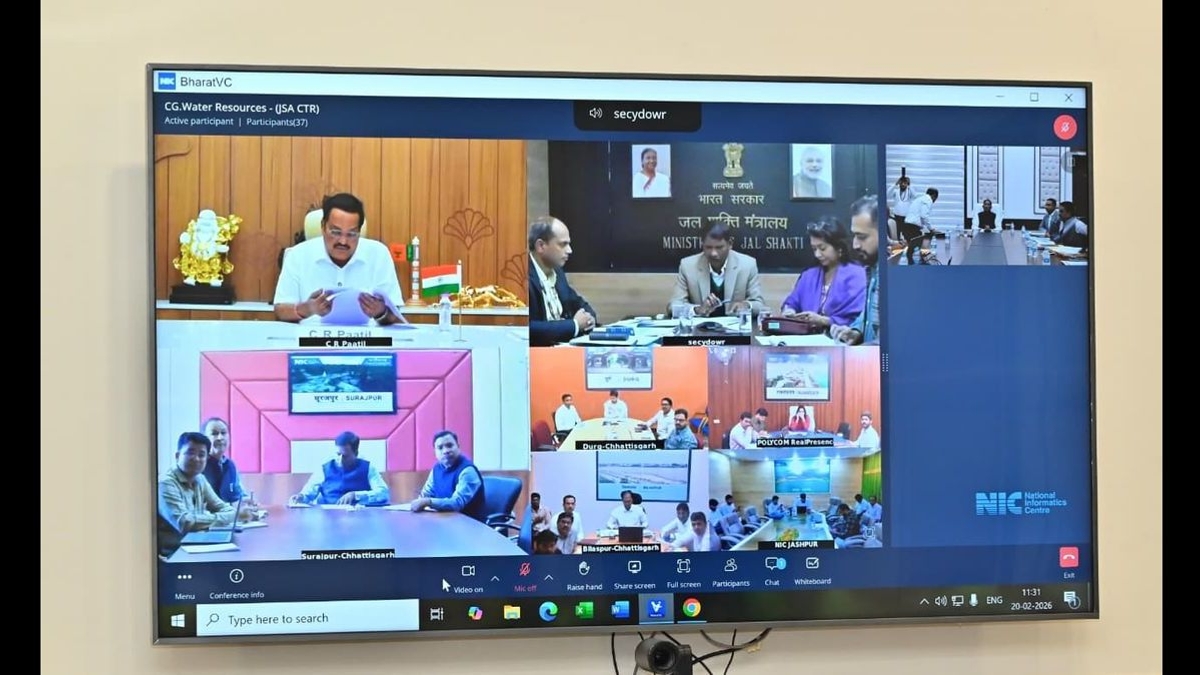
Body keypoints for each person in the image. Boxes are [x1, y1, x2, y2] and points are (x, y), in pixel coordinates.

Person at [272, 192, 405, 325]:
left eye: (351, 234)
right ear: (323, 227)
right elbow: (280, 311)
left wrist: (381, 312)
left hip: (367, 337)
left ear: (359, 232)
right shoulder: (298, 255)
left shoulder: (379, 254)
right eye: (336, 232)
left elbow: (396, 317)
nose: (343, 241)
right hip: (311, 336)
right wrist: (307, 309)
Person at [158, 431, 259, 534]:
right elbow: (184, 523)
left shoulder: (200, 479)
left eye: (201, 455)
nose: (196, 459)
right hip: (175, 544)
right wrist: (236, 516)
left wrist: (236, 514)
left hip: (197, 540)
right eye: (190, 453)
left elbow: (223, 507)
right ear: (177, 456)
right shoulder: (165, 484)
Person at [780, 218, 867, 333]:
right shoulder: (809, 275)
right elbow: (792, 302)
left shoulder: (857, 275)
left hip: (841, 337)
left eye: (822, 248)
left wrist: (824, 321)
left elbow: (859, 318)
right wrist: (789, 311)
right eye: (814, 249)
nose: (817, 254)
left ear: (839, 248)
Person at [669, 223, 765, 318]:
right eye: (708, 247)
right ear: (702, 244)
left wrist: (746, 306)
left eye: (719, 247)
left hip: (735, 326)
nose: (713, 253)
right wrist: (697, 310)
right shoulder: (688, 266)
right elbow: (673, 306)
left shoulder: (747, 265)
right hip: (701, 327)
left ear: (730, 244)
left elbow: (759, 304)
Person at [527, 216, 597, 346]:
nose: (570, 250)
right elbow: (527, 328)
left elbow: (580, 304)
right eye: (563, 244)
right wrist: (574, 325)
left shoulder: (557, 272)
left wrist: (589, 319)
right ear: (541, 246)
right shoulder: (521, 278)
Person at [831, 196, 881, 346]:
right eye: (854, 236)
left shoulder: (897, 276)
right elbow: (870, 314)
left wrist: (855, 354)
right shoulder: (872, 268)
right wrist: (856, 331)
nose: (855, 245)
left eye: (862, 237)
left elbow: (893, 342)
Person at [290, 431, 390, 506]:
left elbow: (383, 493)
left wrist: (356, 495)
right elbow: (308, 494)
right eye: (338, 454)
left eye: (345, 456)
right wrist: (300, 497)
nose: (340, 459)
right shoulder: (324, 468)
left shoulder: (368, 468)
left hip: (359, 517)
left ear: (356, 453)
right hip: (329, 518)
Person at [410, 430, 487, 520]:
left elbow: (457, 503)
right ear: (435, 452)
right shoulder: (436, 469)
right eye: (440, 448)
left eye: (449, 445)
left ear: (458, 447)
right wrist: (420, 501)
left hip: (470, 524)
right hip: (446, 520)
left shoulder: (467, 471)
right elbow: (426, 494)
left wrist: (428, 502)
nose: (445, 451)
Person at [200, 417, 245, 503]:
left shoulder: (230, 465)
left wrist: (246, 501)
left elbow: (238, 494)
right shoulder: (199, 465)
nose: (220, 437)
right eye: (214, 434)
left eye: (223, 433)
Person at [901, 187, 939, 265]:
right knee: (923, 245)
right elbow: (924, 216)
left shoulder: (920, 199)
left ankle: (916, 264)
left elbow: (919, 215)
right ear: (933, 196)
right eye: (935, 198)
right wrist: (931, 229)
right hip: (912, 227)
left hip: (907, 226)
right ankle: (922, 264)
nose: (934, 201)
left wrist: (925, 227)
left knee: (913, 249)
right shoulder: (928, 200)